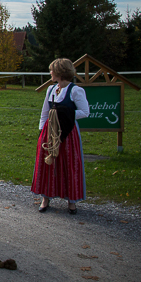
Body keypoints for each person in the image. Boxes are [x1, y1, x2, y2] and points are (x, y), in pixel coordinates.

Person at [31, 58, 90, 215]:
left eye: (52, 70)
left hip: (68, 132)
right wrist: (41, 130)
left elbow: (85, 112)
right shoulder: (51, 89)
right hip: (49, 131)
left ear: (59, 72)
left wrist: (62, 115)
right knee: (48, 163)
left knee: (69, 163)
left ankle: (72, 201)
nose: (50, 73)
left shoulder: (75, 90)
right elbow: (45, 111)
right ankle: (46, 197)